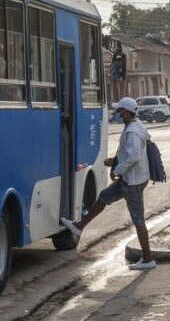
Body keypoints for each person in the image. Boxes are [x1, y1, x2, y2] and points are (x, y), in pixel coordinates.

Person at [61, 97, 156, 270]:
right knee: (104, 197)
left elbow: (134, 156)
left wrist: (118, 169)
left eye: (120, 111)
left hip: (132, 182)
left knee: (138, 220)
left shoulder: (133, 131)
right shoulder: (134, 126)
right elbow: (130, 154)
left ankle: (148, 258)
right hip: (130, 180)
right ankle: (79, 226)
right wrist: (114, 161)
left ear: (127, 112)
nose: (118, 114)